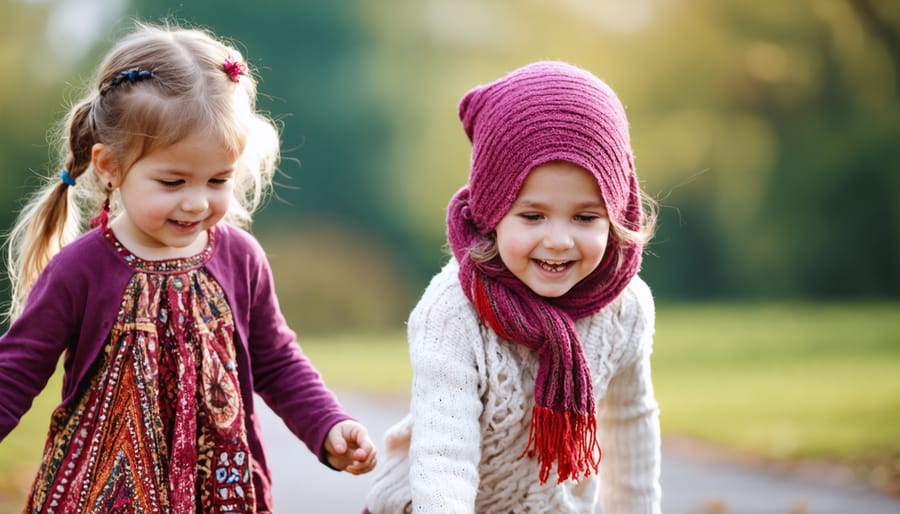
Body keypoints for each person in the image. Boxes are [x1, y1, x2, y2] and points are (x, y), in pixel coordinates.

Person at [0, 22, 376, 513]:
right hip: (101, 496)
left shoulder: (240, 258)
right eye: (173, 181)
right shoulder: (82, 268)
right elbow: (16, 372)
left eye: (218, 178)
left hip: (220, 493)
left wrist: (328, 425)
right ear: (110, 166)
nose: (197, 202)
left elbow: (278, 361)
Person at [363, 61, 660, 513]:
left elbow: (628, 423)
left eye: (585, 217)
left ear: (617, 213)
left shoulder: (626, 306)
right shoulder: (454, 312)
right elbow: (444, 457)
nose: (558, 240)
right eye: (532, 215)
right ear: (492, 210)